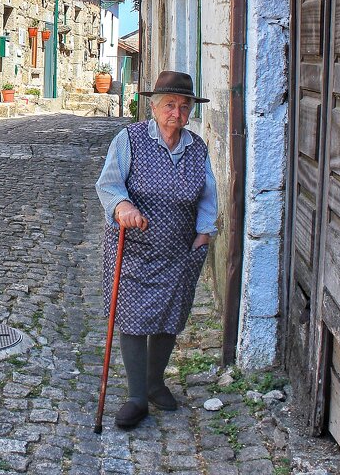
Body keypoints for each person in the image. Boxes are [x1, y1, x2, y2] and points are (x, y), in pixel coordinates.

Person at [95, 70, 217, 430]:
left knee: (169, 319)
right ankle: (136, 397)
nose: (176, 113)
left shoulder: (197, 148)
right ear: (153, 107)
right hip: (133, 249)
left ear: (190, 110)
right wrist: (123, 208)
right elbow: (109, 183)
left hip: (179, 251)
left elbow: (208, 195)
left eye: (183, 106)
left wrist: (204, 234)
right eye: (169, 105)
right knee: (132, 320)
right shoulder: (129, 139)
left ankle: (154, 383)